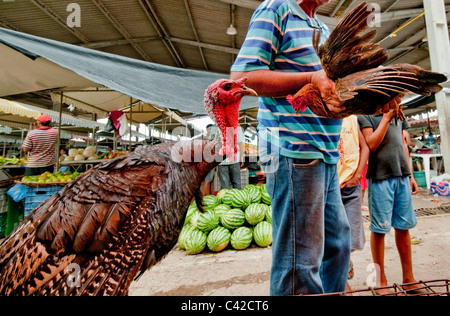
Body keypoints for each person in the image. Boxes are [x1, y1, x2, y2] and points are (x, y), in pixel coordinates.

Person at [358, 110, 425, 295]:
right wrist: (386, 118)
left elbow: (403, 144)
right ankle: (381, 280)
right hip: (380, 178)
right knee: (379, 229)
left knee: (404, 227)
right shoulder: (366, 114)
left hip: (402, 176)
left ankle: (408, 279)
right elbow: (371, 143)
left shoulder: (398, 114)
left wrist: (410, 174)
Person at [337, 115, 370, 293]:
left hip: (351, 188)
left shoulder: (352, 118)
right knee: (334, 238)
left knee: (353, 239)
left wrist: (358, 174)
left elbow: (365, 148)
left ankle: (345, 260)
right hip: (331, 188)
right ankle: (343, 283)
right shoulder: (324, 116)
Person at [211, 124, 245, 190]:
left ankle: (226, 199)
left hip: (221, 161)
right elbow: (241, 143)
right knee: (236, 183)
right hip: (234, 159)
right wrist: (241, 157)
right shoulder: (236, 125)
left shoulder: (216, 126)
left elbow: (212, 144)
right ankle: (238, 199)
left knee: (224, 185)